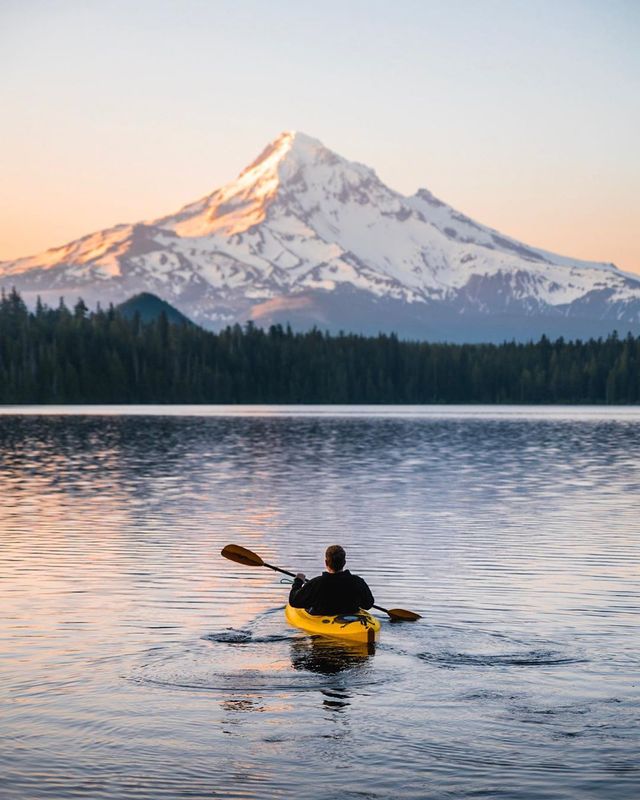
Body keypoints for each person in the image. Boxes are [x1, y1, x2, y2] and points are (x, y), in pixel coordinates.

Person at [288, 544, 374, 616]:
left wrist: (298, 582)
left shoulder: (317, 583)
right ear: (344, 562)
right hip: (351, 620)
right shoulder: (358, 581)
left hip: (323, 621)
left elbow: (294, 601)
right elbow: (368, 605)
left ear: (326, 562)